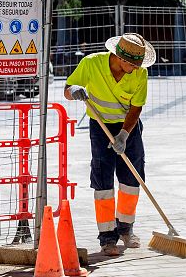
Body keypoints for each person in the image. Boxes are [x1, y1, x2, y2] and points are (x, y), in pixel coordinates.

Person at [64, 33, 156, 256]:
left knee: (132, 180)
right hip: (100, 126)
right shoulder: (91, 63)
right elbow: (67, 89)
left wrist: (124, 135)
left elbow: (136, 108)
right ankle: (107, 237)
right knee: (103, 180)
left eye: (138, 65)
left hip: (128, 128)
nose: (136, 68)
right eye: (132, 64)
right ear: (119, 57)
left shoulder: (140, 73)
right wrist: (74, 91)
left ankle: (126, 229)